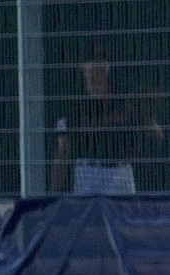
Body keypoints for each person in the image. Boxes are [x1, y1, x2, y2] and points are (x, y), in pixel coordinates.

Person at [51, 43, 165, 194]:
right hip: (87, 172)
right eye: (93, 60)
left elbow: (157, 135)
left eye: (102, 60)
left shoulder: (124, 98)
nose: (98, 66)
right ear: (82, 67)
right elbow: (63, 150)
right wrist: (54, 193)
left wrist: (147, 116)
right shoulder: (73, 103)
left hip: (119, 172)